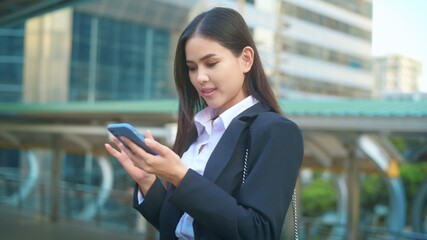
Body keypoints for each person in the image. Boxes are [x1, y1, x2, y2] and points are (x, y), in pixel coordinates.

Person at [104, 7, 303, 240]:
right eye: (192, 67)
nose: (200, 78)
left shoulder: (276, 131)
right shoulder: (198, 130)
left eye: (211, 63)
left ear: (246, 59)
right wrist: (148, 182)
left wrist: (180, 176)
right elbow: (183, 227)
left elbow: (258, 231)